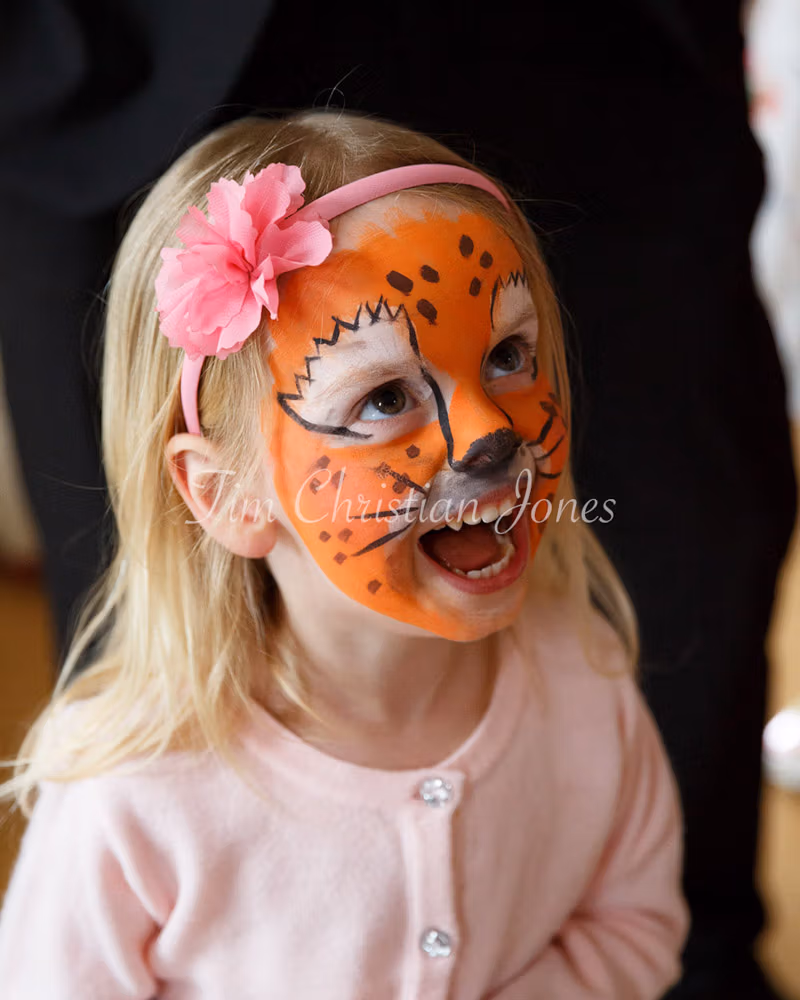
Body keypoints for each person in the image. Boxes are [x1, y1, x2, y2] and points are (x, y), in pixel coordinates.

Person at [0, 111, 688, 998]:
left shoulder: (582, 685)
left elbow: (634, 928)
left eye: (508, 355)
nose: (490, 433)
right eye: (386, 397)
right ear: (227, 494)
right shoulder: (136, 793)